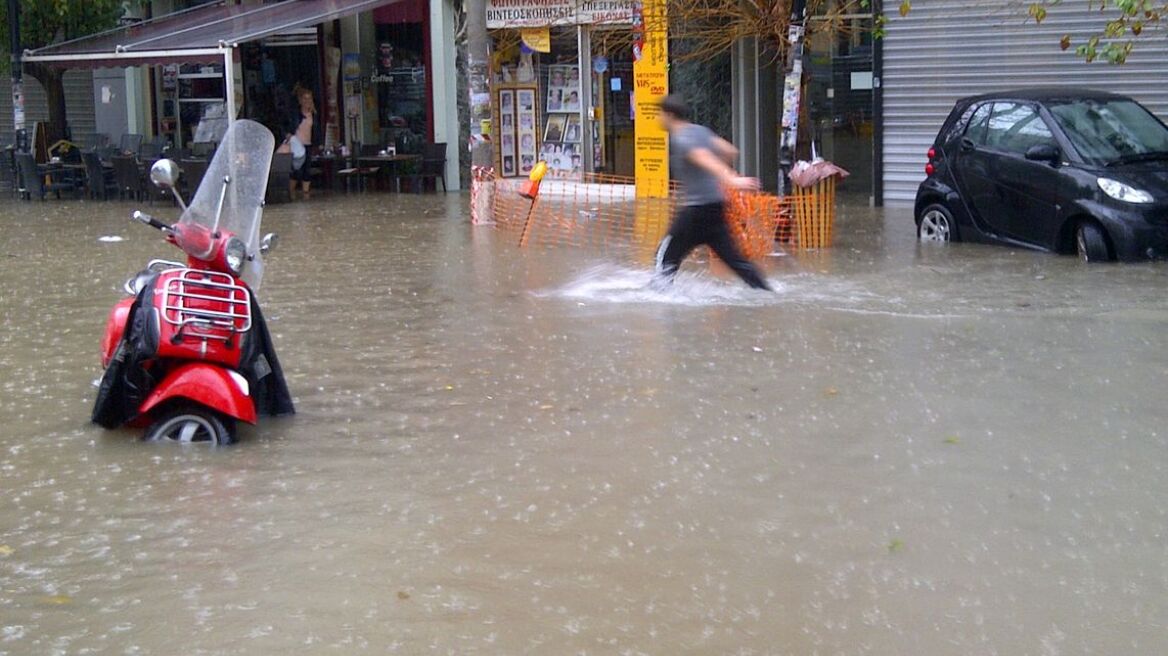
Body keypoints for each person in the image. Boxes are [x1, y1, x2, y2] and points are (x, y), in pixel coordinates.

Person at [653, 95, 771, 291]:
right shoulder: (701, 131)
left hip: (694, 212)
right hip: (715, 208)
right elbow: (730, 151)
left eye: (659, 114)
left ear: (669, 115)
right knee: (735, 261)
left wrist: (730, 179)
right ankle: (765, 291)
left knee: (664, 255)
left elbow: (702, 157)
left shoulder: (682, 138)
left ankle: (657, 300)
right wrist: (719, 176)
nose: (657, 118)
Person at [280, 86, 319, 200]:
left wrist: (318, 143)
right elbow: (285, 125)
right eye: (305, 99)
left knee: (307, 170)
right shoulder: (294, 113)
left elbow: (316, 130)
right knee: (296, 170)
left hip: (308, 144)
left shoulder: (314, 114)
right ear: (300, 100)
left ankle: (306, 193)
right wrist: (288, 135)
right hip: (296, 146)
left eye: (309, 99)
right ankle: (290, 193)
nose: (307, 101)